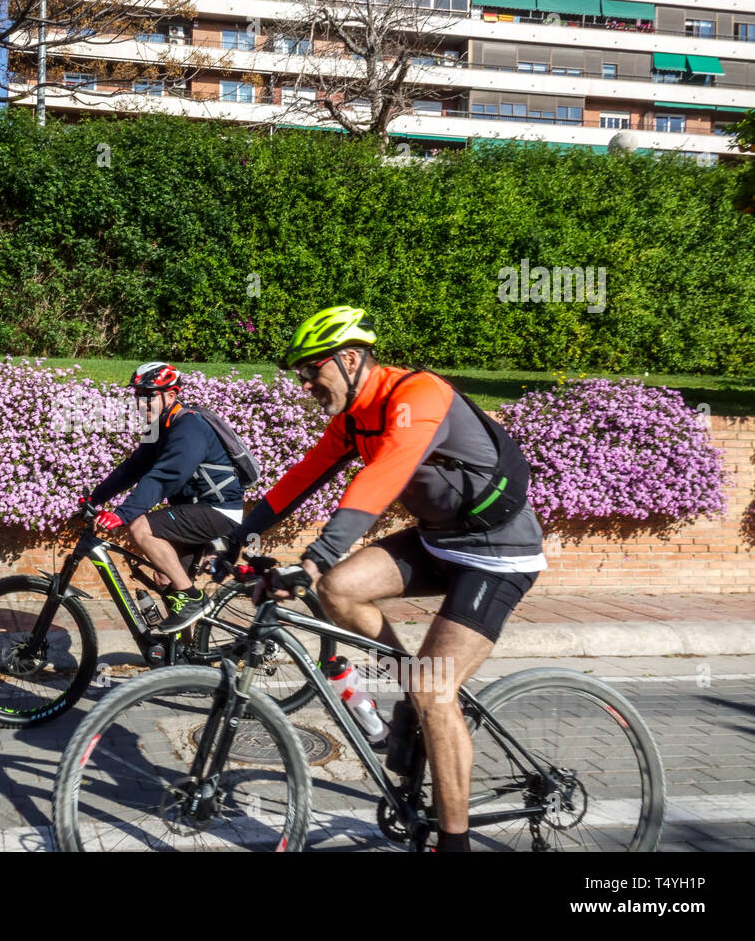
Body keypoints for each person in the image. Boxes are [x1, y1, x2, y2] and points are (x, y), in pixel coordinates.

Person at [214, 305, 546, 852]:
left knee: (434, 689)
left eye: (311, 369)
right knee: (338, 589)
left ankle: (454, 842)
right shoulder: (352, 417)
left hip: (498, 551)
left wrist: (317, 554)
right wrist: (238, 536)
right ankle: (414, 691)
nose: (305, 383)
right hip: (439, 539)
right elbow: (302, 477)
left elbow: (383, 475)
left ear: (348, 359)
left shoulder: (420, 395)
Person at [82, 362, 246, 633]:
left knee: (140, 526)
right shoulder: (161, 427)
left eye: (148, 396)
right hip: (195, 510)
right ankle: (187, 657)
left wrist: (122, 514)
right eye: (138, 396)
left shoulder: (189, 426)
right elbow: (133, 468)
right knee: (164, 578)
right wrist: (94, 499)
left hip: (217, 511)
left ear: (171, 395)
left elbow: (166, 476)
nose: (142, 403)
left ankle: (193, 599)